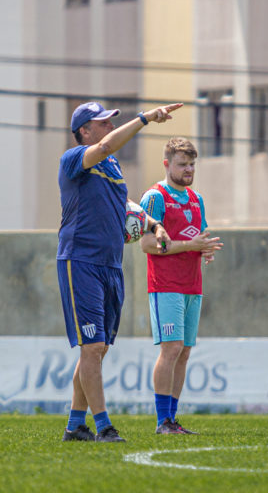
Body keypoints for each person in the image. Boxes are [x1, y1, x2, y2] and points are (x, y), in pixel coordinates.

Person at [58, 101, 182, 442]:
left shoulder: (111, 166)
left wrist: (154, 224)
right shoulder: (75, 159)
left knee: (98, 349)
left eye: (111, 120)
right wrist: (144, 118)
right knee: (92, 347)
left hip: (111, 264)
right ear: (84, 130)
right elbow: (105, 146)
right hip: (80, 260)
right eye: (102, 122)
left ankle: (75, 425)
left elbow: (126, 207)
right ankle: (104, 426)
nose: (109, 125)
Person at [139, 137, 222, 435]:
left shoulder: (196, 199)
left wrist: (204, 250)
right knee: (171, 349)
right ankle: (162, 421)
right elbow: (148, 244)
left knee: (184, 351)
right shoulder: (155, 197)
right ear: (166, 164)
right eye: (182, 164)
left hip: (192, 285)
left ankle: (172, 420)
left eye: (192, 165)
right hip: (165, 285)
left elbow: (196, 237)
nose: (188, 170)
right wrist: (191, 244)